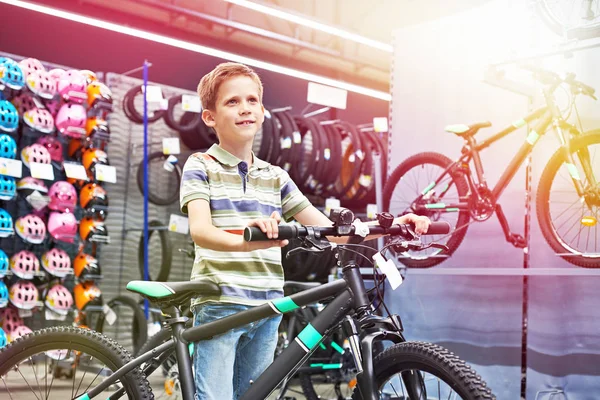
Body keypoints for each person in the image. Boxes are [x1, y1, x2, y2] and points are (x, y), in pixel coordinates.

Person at [180, 62, 431, 400]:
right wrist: (248, 241)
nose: (245, 109)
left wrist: (394, 225)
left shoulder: (275, 176)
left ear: (263, 110)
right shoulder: (200, 166)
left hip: (268, 306)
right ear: (209, 117)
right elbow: (201, 231)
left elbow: (330, 229)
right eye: (232, 102)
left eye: (252, 100)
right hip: (222, 302)